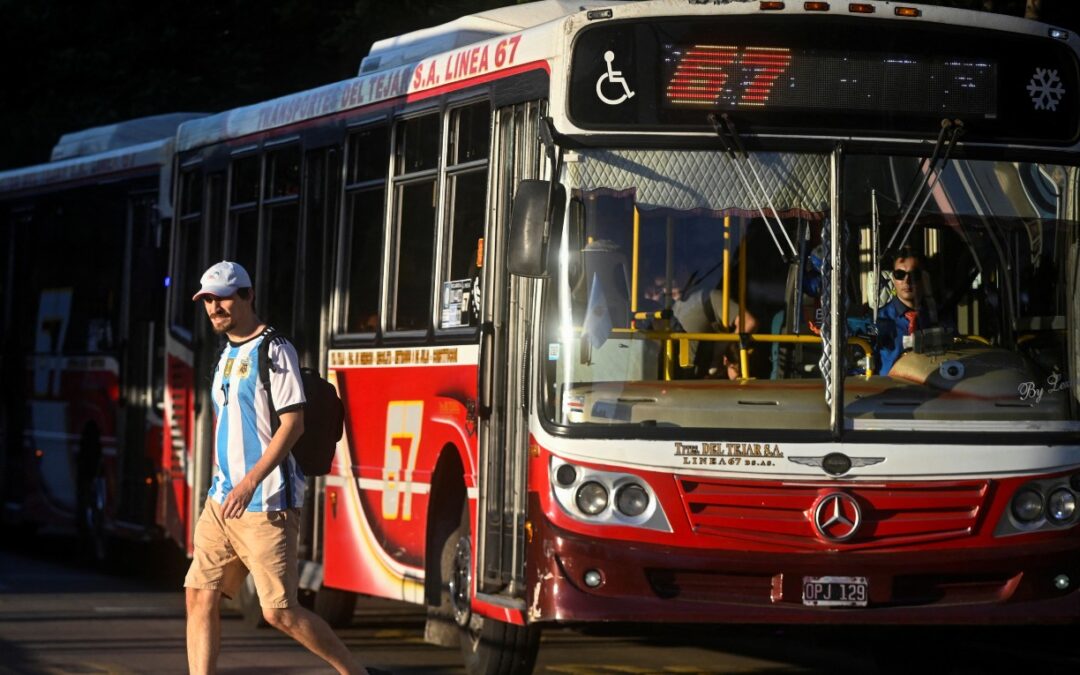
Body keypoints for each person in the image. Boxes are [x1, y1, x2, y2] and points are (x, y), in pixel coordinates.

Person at [184, 261, 372, 675]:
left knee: (280, 612)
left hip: (265, 503)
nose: (215, 307)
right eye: (208, 300)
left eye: (224, 297)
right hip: (221, 501)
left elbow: (294, 423)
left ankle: (354, 672)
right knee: (199, 594)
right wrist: (228, 485)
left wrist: (251, 481)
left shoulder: (275, 349)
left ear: (248, 296)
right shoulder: (226, 353)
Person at [876, 247, 936, 375]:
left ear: (924, 278)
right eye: (900, 275)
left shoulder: (937, 318)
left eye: (914, 275)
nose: (906, 281)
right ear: (893, 278)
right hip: (891, 390)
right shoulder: (878, 320)